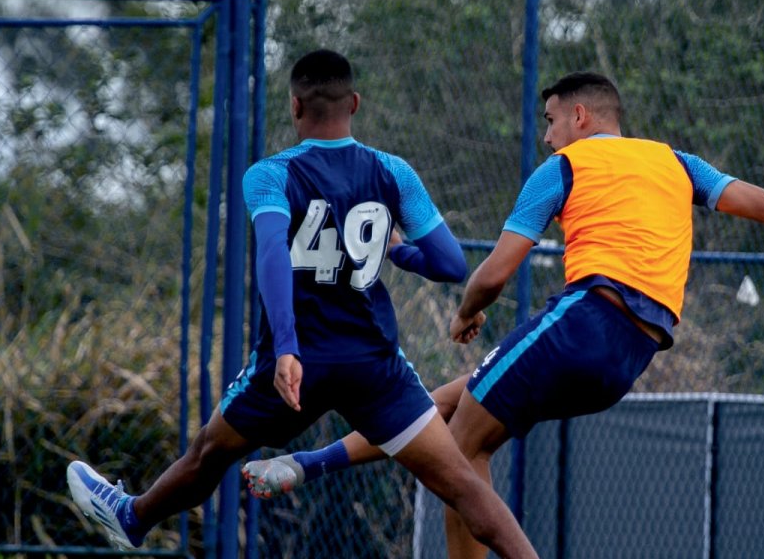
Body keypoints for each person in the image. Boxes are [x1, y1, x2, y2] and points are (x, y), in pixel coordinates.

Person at [242, 71, 764, 558]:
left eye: (550, 120)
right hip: (631, 353)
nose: (546, 134)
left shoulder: (564, 166)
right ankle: (305, 465)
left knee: (460, 450)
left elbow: (494, 272)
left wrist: (468, 312)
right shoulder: (675, 163)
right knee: (442, 405)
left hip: (585, 320)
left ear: (579, 116)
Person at [66, 49, 538, 559]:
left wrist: (287, 348)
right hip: (374, 367)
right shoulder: (393, 172)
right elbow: (450, 263)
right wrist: (398, 252)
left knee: (206, 456)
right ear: (354, 103)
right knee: (465, 488)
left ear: (295, 107)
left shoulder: (269, 175)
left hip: (294, 367)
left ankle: (132, 516)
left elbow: (272, 253)